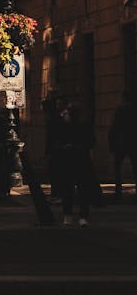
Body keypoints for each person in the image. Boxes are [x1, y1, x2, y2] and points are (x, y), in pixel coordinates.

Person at [49, 96, 93, 226]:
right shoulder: (83, 124)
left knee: (68, 189)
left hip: (68, 160)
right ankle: (82, 216)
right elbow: (91, 142)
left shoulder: (63, 125)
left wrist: (65, 147)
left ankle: (68, 215)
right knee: (82, 190)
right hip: (80, 160)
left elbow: (55, 142)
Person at [108, 93, 137, 200]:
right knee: (135, 166)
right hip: (133, 142)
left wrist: (111, 143)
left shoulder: (119, 110)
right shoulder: (134, 110)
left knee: (117, 167)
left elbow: (113, 127)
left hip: (121, 143)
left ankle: (118, 190)